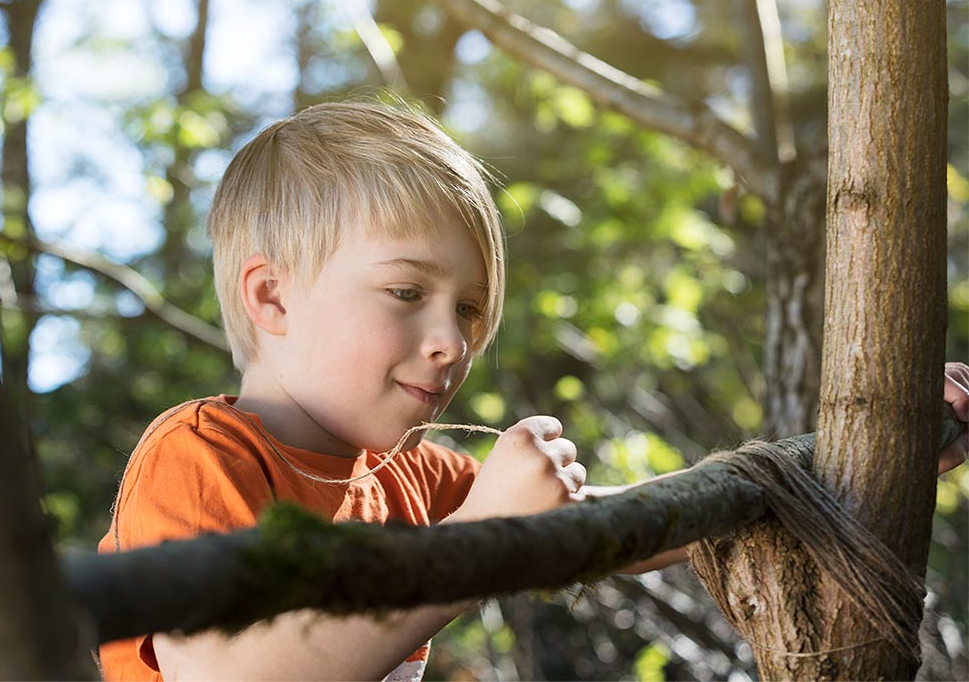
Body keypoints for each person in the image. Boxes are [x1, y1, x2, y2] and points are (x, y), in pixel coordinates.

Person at [97, 100, 969, 682]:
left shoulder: (416, 478)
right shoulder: (203, 456)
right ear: (271, 296)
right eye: (407, 294)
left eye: (470, 309)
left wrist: (870, 454)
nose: (453, 341)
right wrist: (482, 536)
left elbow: (624, 527)